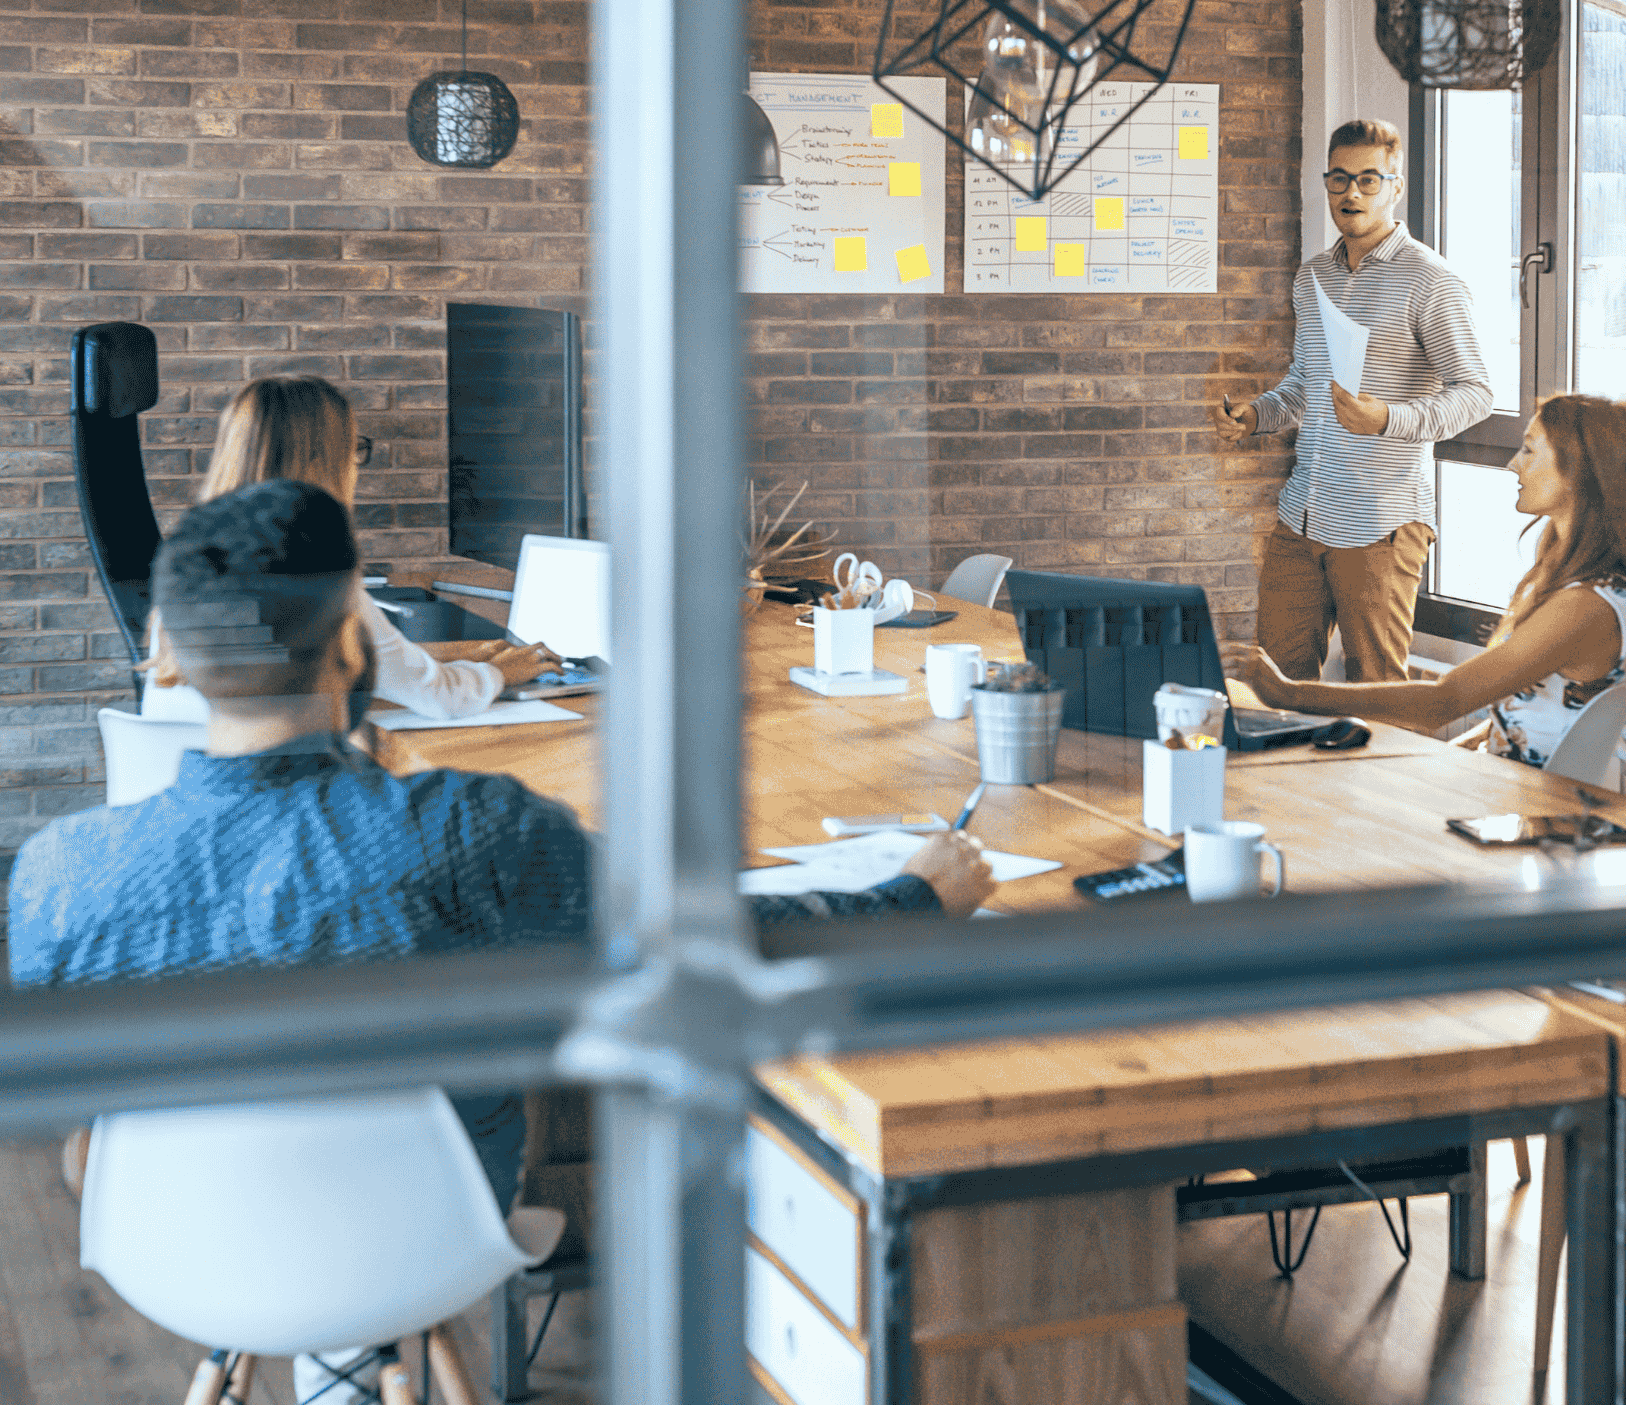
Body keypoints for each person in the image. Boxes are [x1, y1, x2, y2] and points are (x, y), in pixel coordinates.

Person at [13, 481, 991, 1404]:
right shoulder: (466, 832)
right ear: (352, 645)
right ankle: (354, 1353)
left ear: (169, 654)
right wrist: (908, 898)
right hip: (418, 1236)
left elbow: (70, 1119)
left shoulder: (58, 874)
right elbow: (699, 943)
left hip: (164, 1251)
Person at [1227, 393, 1626, 762]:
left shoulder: (1585, 606)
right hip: (1510, 793)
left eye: (1529, 450)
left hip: (1528, 807)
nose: (1513, 465)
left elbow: (1444, 701)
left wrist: (1288, 693)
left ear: (1580, 470)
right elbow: (1522, 716)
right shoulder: (1597, 588)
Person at [1211, 118, 1492, 685]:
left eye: (1368, 179)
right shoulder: (1312, 276)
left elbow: (1476, 393)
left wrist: (1387, 419)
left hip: (1380, 524)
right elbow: (1304, 384)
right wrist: (1256, 416)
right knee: (1274, 684)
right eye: (1339, 179)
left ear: (1395, 187)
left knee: (1378, 690)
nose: (1352, 193)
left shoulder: (1431, 280)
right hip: (1303, 514)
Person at [142, 375, 556, 722]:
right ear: (322, 461)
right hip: (281, 785)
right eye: (353, 448)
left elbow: (375, 660)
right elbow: (441, 697)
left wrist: (467, 653)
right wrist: (500, 673)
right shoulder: (310, 570)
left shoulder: (192, 563)